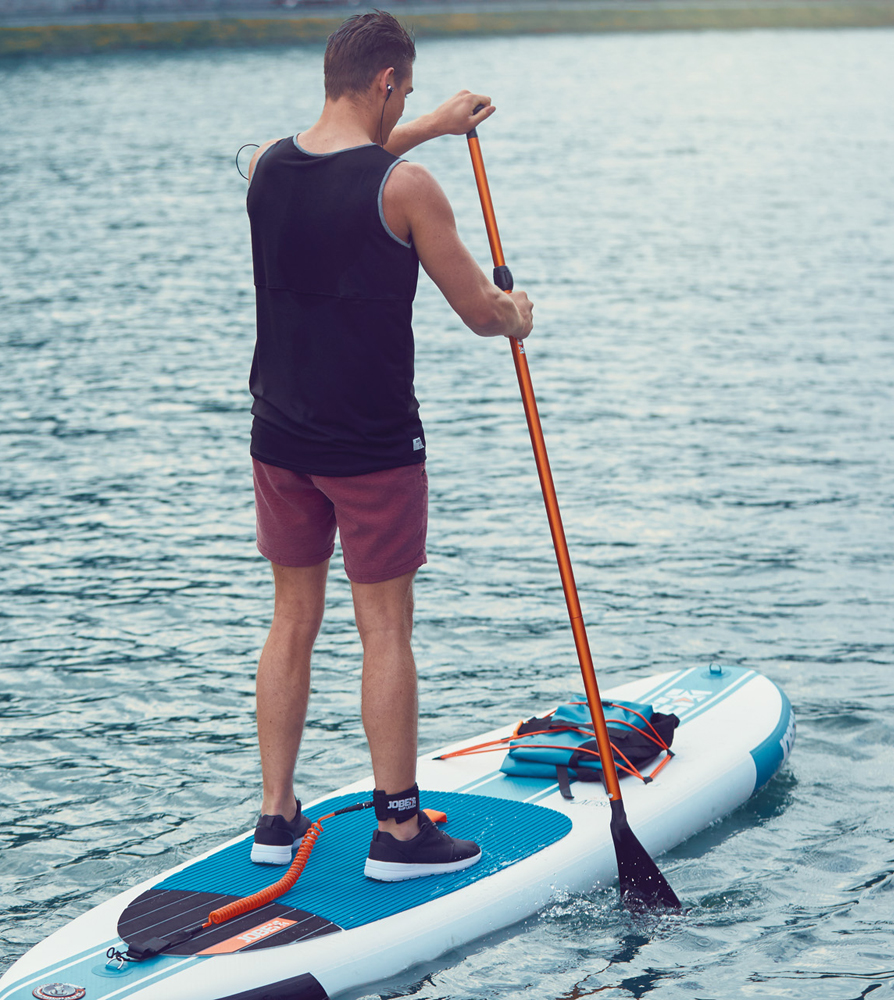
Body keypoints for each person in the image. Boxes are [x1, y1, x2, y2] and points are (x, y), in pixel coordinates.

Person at [244, 11, 533, 881]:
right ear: (384, 81)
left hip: (278, 438)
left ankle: (273, 819)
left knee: (291, 620)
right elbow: (482, 312)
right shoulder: (408, 188)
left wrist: (435, 123)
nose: (402, 100)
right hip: (370, 449)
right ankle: (400, 834)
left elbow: (337, 158)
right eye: (403, 91)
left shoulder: (260, 168)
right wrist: (517, 314)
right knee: (385, 631)